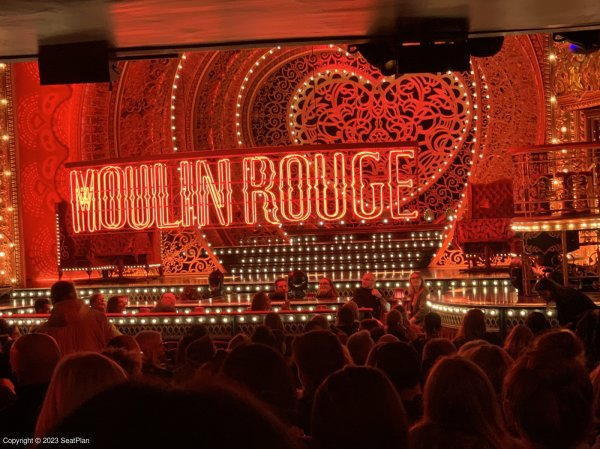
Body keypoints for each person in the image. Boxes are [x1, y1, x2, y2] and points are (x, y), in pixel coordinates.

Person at [37, 281, 120, 355]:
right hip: (96, 369)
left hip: (65, 371)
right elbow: (121, 342)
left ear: (53, 299)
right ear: (75, 295)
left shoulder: (45, 331)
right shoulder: (98, 318)